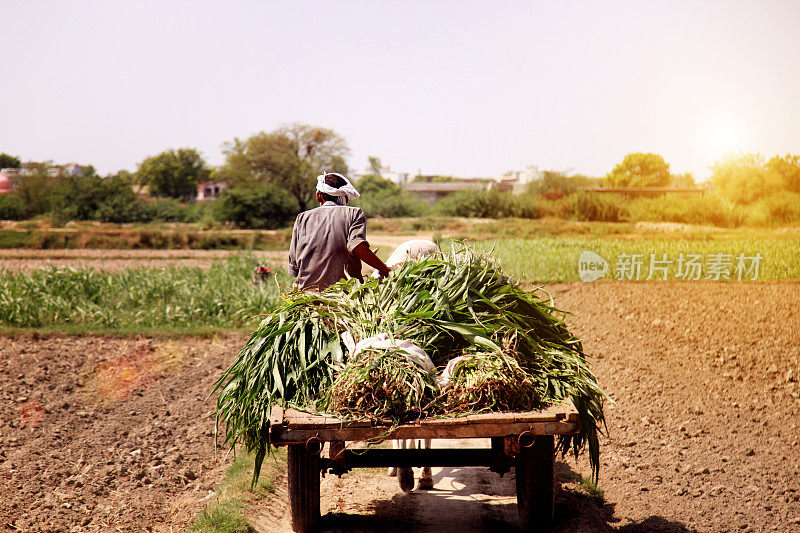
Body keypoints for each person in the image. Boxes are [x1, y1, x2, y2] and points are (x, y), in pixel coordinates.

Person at [288, 172, 391, 291]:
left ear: (318, 196)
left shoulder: (302, 218)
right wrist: (385, 269)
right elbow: (357, 246)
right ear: (345, 198)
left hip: (307, 293)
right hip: (344, 293)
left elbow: (294, 266)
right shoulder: (354, 213)